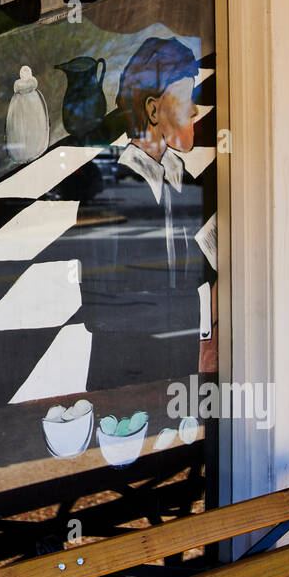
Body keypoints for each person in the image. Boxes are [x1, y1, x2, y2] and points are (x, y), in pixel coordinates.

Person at [75, 36, 217, 400]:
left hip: (182, 367)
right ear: (154, 111)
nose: (195, 110)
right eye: (186, 98)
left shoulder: (187, 180)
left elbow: (209, 267)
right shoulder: (105, 192)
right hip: (124, 377)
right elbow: (100, 310)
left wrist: (207, 335)